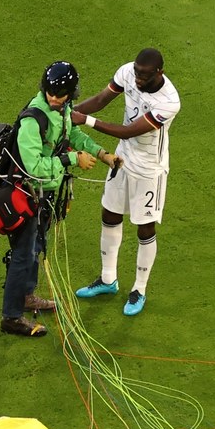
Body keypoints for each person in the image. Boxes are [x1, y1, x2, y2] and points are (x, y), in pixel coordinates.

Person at [0, 60, 119, 337]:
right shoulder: (33, 119)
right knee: (22, 253)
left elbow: (70, 133)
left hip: (44, 194)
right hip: (26, 193)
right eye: (52, 94)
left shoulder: (61, 109)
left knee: (36, 245)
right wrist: (71, 159)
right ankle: (11, 317)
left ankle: (27, 295)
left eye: (61, 95)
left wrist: (101, 153)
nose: (55, 98)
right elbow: (34, 167)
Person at [71, 48, 180, 316]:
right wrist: (66, 113)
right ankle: (108, 280)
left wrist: (86, 121)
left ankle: (139, 289)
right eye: (136, 72)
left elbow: (131, 131)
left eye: (144, 75)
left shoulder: (169, 101)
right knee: (109, 213)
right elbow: (100, 99)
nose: (138, 78)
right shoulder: (127, 72)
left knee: (144, 227)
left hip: (148, 169)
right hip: (122, 158)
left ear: (159, 73)